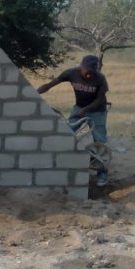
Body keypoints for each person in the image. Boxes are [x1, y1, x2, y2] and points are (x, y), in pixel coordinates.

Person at [38, 54, 110, 186]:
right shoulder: (71, 73)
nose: (89, 74)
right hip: (79, 108)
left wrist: (86, 110)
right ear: (81, 66)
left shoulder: (100, 78)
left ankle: (102, 173)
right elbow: (49, 85)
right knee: (67, 134)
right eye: (87, 70)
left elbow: (101, 99)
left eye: (92, 71)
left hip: (97, 111)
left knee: (100, 142)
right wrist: (35, 93)